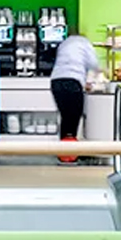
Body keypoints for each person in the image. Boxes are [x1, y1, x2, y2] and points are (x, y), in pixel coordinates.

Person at [50, 25, 103, 159]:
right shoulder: (85, 43)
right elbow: (93, 64)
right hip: (72, 81)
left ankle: (64, 152)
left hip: (56, 81)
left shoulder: (63, 43)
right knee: (74, 116)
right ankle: (70, 153)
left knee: (65, 116)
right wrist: (102, 71)